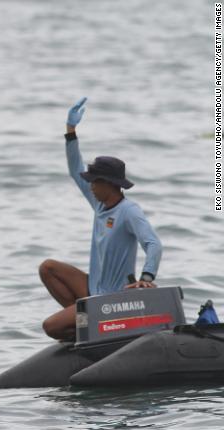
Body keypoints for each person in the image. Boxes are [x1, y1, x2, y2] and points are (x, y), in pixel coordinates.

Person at [39, 97, 163, 340]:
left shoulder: (129, 211)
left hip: (113, 300)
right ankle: (87, 323)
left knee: (50, 327)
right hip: (92, 289)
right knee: (48, 268)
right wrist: (70, 132)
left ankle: (90, 326)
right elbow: (75, 170)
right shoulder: (99, 203)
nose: (90, 185)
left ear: (109, 184)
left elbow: (153, 244)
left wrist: (146, 278)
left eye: (94, 181)